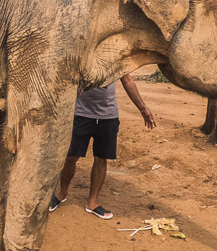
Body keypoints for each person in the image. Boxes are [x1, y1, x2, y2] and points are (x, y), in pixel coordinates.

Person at [49, 73, 156, 219]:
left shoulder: (116, 56)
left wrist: (143, 108)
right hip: (81, 114)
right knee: (71, 156)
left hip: (108, 116)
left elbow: (128, 80)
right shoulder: (84, 52)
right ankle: (62, 193)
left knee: (101, 158)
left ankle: (92, 202)